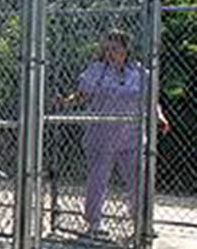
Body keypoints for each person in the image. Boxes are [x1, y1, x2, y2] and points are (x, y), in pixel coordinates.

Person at [55, 29, 170, 237]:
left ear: (125, 50)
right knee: (98, 180)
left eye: (115, 48)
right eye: (106, 48)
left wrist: (158, 116)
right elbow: (82, 96)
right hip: (101, 135)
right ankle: (94, 223)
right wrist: (66, 101)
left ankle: (142, 222)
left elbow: (150, 99)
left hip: (131, 136)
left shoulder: (139, 73)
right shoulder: (96, 70)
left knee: (138, 180)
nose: (109, 52)